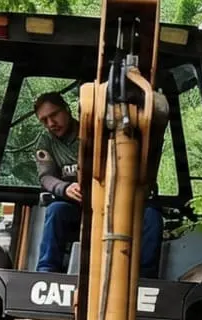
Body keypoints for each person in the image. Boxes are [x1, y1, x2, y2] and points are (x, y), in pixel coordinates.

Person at [31, 92, 164, 277]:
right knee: (56, 210)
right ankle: (46, 272)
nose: (51, 123)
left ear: (67, 110)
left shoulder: (96, 132)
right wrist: (65, 188)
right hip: (78, 206)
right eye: (44, 120)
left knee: (151, 216)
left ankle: (145, 278)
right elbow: (46, 177)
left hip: (115, 204)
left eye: (54, 115)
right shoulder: (45, 142)